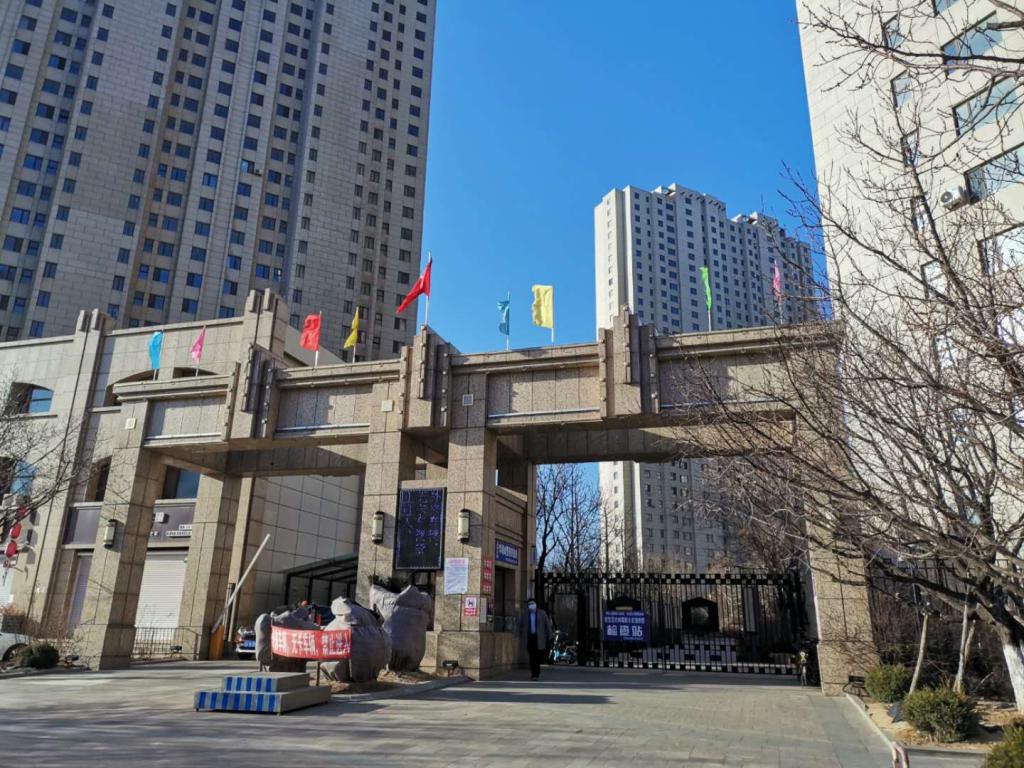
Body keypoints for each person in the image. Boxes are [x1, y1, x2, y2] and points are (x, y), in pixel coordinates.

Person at [519, 598, 553, 680]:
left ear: (536, 604)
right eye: (530, 604)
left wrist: (550, 636)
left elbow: (547, 625)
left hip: (539, 638)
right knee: (531, 656)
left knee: (537, 656)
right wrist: (519, 634)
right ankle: (534, 674)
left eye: (533, 603)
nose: (531, 605)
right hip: (529, 637)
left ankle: (536, 671)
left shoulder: (542, 613)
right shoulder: (524, 614)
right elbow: (520, 625)